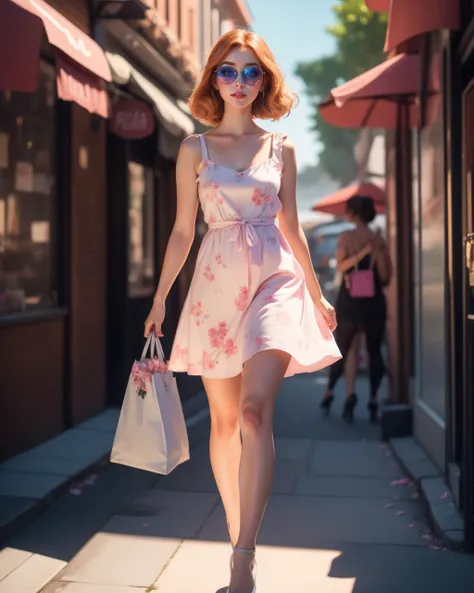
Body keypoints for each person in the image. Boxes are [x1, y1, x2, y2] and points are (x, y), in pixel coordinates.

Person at [144, 29, 341, 593]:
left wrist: (316, 288)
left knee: (255, 416)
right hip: (213, 288)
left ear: (265, 81)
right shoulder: (193, 150)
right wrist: (160, 299)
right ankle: (236, 527)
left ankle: (243, 558)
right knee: (226, 424)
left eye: (251, 71)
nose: (239, 81)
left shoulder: (283, 149)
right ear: (213, 78)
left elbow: (293, 227)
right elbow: (184, 231)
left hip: (274, 282)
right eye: (228, 71)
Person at [320, 195, 392, 423]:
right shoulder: (378, 240)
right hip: (373, 303)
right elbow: (385, 277)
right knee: (374, 351)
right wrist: (371, 254)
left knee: (343, 348)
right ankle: (372, 398)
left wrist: (358, 256)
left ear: (353, 213)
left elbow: (341, 267)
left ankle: (336, 392)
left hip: (350, 301)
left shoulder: (346, 237)